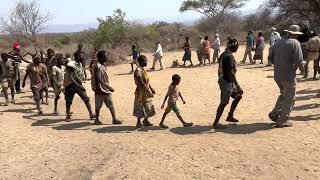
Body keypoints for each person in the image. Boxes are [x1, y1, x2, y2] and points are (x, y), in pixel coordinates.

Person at [268, 25, 304, 128]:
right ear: (294, 34)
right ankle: (283, 120)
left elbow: (270, 58)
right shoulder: (295, 43)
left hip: (277, 75)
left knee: (284, 95)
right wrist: (302, 70)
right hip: (288, 75)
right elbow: (299, 60)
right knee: (290, 98)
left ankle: (275, 113)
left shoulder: (278, 42)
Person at [213, 39, 243, 129]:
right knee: (223, 103)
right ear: (233, 46)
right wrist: (237, 85)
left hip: (227, 80)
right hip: (226, 81)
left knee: (238, 96)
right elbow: (231, 72)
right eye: (236, 47)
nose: (237, 48)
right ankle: (216, 123)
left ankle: (230, 116)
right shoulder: (229, 56)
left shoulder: (224, 54)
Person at [91, 50, 122, 125]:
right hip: (100, 89)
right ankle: (97, 119)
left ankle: (114, 119)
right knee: (98, 106)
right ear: (101, 57)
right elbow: (98, 79)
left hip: (105, 88)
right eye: (105, 56)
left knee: (110, 104)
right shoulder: (97, 66)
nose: (106, 57)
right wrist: (108, 86)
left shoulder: (103, 65)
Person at [134, 55, 156, 128]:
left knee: (148, 106)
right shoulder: (138, 70)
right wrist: (148, 91)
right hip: (140, 92)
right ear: (141, 62)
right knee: (140, 107)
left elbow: (147, 82)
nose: (146, 62)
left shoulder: (143, 69)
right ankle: (138, 122)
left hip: (145, 91)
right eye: (145, 61)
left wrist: (151, 88)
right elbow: (141, 83)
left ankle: (145, 120)